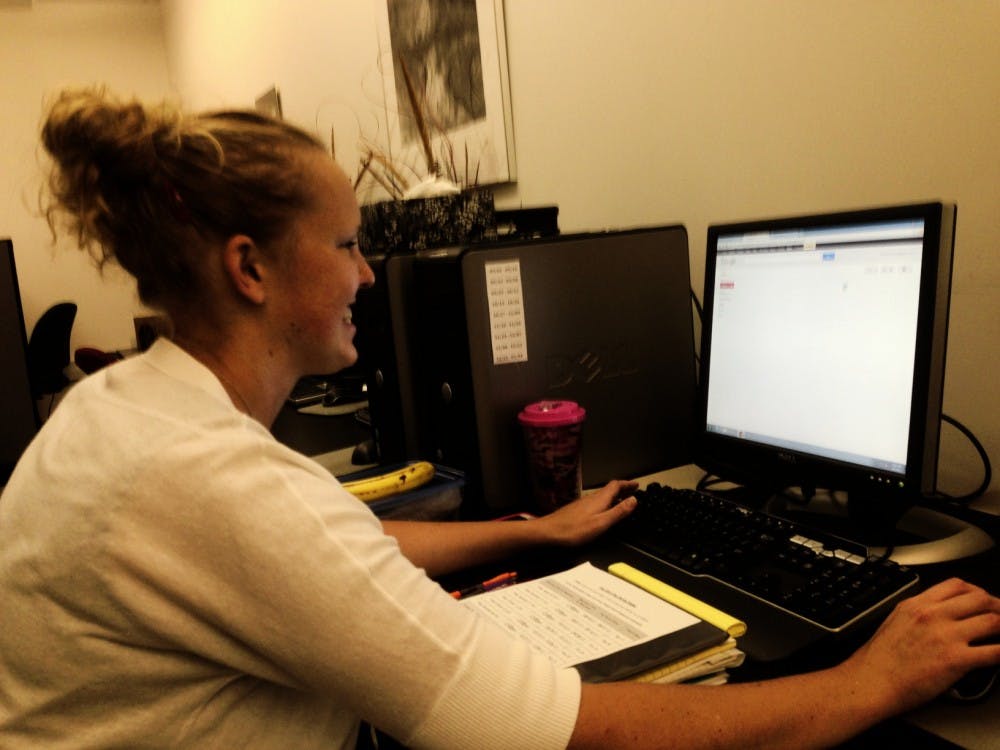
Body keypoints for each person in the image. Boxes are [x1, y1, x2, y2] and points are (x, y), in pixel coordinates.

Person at [0, 87, 997, 749]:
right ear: (249, 267)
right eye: (346, 246)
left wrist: (530, 531)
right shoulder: (210, 481)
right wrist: (867, 684)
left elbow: (323, 543)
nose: (367, 277)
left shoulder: (124, 408)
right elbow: (552, 729)